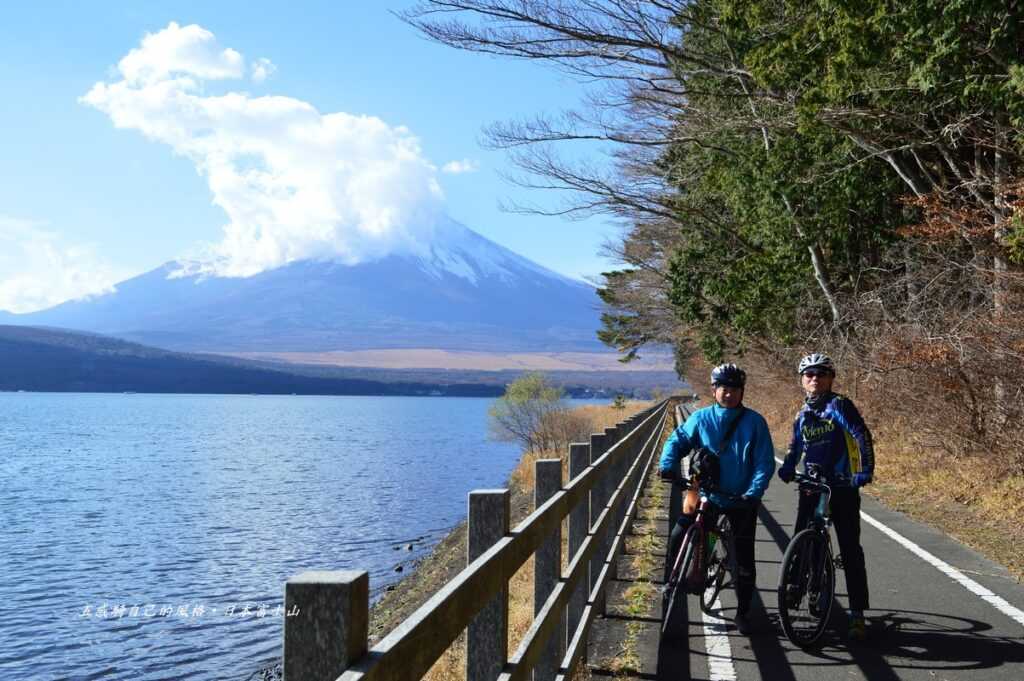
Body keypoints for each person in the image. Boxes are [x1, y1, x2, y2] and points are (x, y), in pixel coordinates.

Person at [659, 363, 776, 634]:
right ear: (714, 390)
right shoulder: (701, 419)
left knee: (743, 561)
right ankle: (677, 578)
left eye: (735, 389)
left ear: (742, 392)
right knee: (679, 534)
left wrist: (753, 492)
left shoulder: (755, 422)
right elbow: (677, 440)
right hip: (706, 494)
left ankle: (743, 612)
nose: (729, 394)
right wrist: (667, 465)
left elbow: (763, 463)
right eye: (724, 388)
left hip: (741, 499)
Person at [777, 352, 875, 641]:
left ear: (831, 378)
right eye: (809, 374)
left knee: (849, 548)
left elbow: (861, 435)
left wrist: (865, 469)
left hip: (843, 485)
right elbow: (795, 447)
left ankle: (857, 613)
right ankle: (797, 586)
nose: (815, 378)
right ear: (802, 381)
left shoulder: (839, 406)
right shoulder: (802, 414)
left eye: (821, 374)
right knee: (802, 538)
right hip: (812, 484)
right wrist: (787, 467)